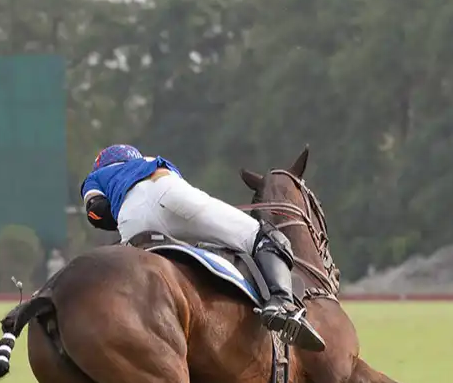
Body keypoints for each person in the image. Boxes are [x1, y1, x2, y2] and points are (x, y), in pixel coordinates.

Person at [79, 144, 325, 351]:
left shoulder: (95, 178)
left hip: (130, 217)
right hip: (171, 192)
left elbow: (96, 212)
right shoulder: (149, 161)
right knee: (262, 236)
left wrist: (116, 212)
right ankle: (281, 303)